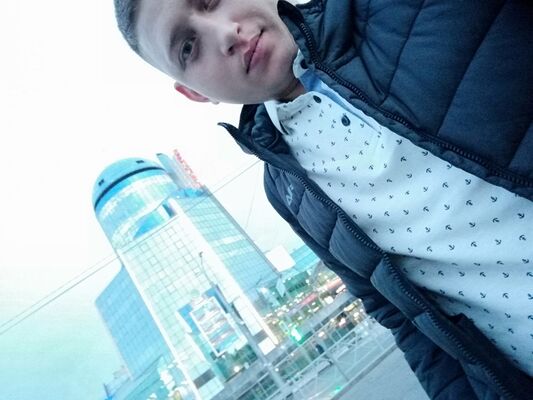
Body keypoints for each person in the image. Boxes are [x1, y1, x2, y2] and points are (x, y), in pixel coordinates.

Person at [112, 0, 533, 398]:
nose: (225, 34)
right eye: (188, 48)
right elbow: (402, 317)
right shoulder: (287, 190)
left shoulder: (395, 9)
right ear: (195, 94)